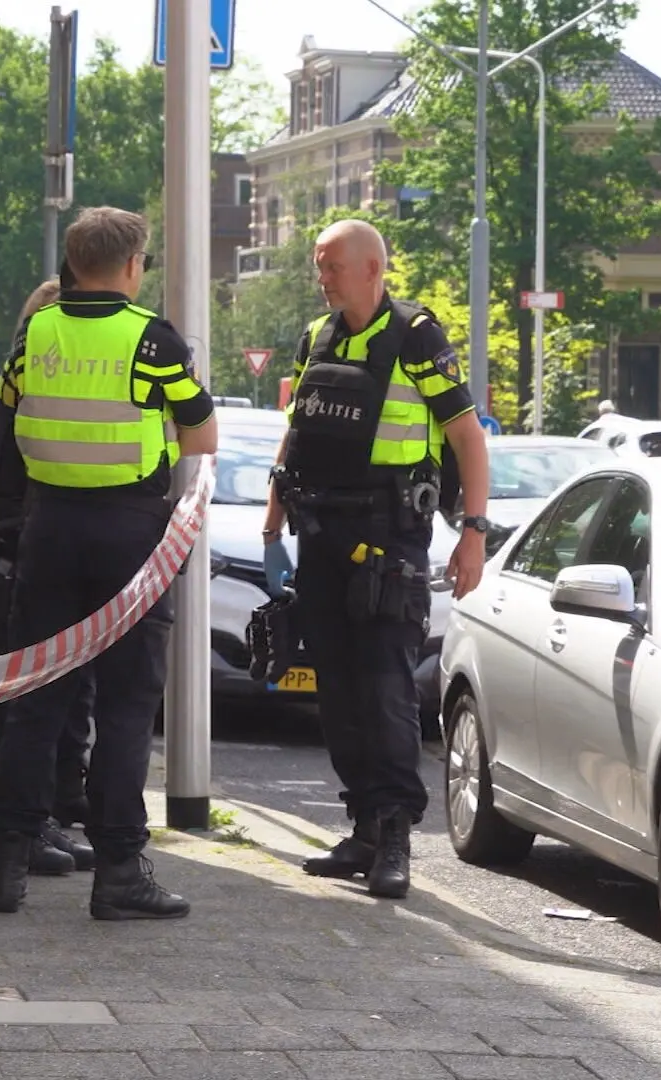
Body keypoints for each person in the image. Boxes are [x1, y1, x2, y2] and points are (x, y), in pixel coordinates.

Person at [0, 206, 218, 920]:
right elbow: (201, 430)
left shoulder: (34, 334)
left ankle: (8, 860)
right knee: (125, 707)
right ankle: (118, 870)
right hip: (131, 540)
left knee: (36, 698)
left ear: (74, 264)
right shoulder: (152, 341)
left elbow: (6, 420)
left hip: (48, 531)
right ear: (133, 266)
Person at [261, 219, 490, 900]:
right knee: (335, 686)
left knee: (385, 685)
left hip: (390, 536)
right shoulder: (317, 337)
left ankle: (394, 835)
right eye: (318, 265)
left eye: (330, 265)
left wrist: (472, 530)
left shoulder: (415, 336)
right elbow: (296, 430)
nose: (320, 277)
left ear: (371, 269)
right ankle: (362, 827)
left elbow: (467, 438)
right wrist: (274, 517)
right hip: (321, 532)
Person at [0, 277, 96, 878]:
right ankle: (23, 823)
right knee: (33, 695)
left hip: (9, 556)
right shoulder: (41, 386)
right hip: (32, 557)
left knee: (22, 692)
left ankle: (37, 816)